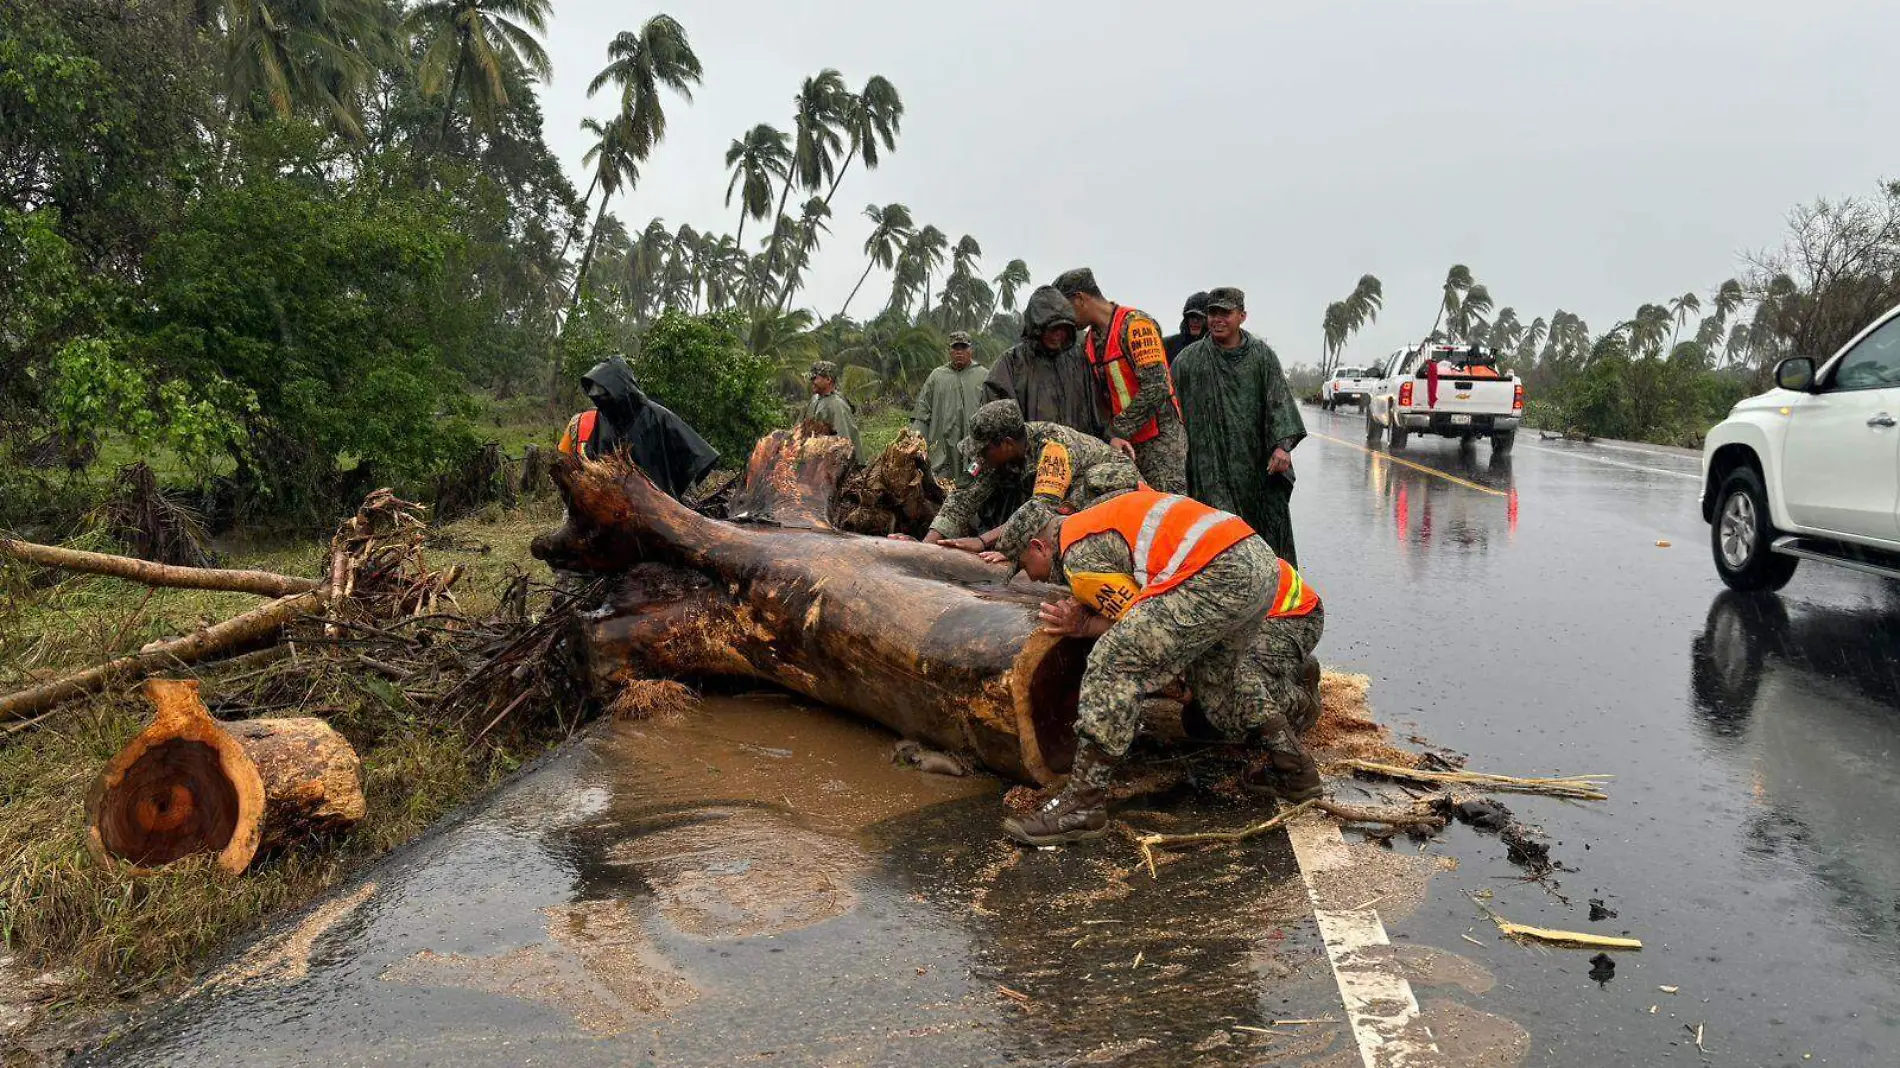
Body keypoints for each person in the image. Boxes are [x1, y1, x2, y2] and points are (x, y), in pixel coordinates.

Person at [996, 490, 1324, 846]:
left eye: (1025, 565)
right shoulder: (1093, 522)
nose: (1030, 577)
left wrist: (1085, 628)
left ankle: (1082, 806)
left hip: (1218, 570)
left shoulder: (1077, 556)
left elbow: (1136, 624)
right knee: (1219, 677)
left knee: (1113, 661)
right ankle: (1294, 769)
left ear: (1039, 546)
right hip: (1256, 560)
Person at [1171, 287, 1307, 566]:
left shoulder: (1261, 357)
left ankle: (1273, 596)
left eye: (1226, 313)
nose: (1217, 319)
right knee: (1217, 536)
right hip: (1209, 469)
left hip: (1255, 469)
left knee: (1262, 539)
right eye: (1213, 313)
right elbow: (1167, 407)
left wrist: (1283, 447)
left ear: (1242, 316)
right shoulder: (1189, 361)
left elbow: (1279, 401)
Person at [919, 400, 1138, 555]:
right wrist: (926, 545)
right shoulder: (997, 454)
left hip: (1117, 492)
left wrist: (982, 541)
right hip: (1072, 501)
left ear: (1006, 443)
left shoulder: (1054, 447)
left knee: (1063, 517)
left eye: (984, 450)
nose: (979, 456)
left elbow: (1041, 509)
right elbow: (964, 497)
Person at [1051, 267, 1187, 493]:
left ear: (1080, 299)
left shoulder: (1135, 325)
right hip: (1125, 445)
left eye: (1066, 308)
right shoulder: (1089, 342)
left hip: (1160, 443)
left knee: (1168, 510)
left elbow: (1156, 387)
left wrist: (1117, 432)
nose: (1065, 318)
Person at [558, 356, 720, 500]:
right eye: (596, 395)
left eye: (605, 393)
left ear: (619, 389)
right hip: (614, 505)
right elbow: (593, 457)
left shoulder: (656, 416)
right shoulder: (604, 418)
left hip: (657, 504)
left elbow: (697, 453)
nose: (601, 400)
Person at [983, 285, 1106, 440]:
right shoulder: (1012, 363)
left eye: (1063, 329)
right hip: (1031, 457)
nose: (1058, 335)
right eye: (1052, 329)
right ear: (1037, 328)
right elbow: (994, 420)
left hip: (1076, 454)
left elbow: (1096, 413)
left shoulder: (1078, 360)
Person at [909, 331, 990, 483]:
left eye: (963, 347)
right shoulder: (937, 376)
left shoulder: (983, 376)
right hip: (941, 451)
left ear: (970, 350)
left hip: (973, 451)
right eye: (955, 348)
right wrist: (914, 441)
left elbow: (992, 413)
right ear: (949, 351)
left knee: (972, 485)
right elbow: (922, 412)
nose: (959, 352)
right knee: (940, 489)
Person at [805, 360, 864, 462]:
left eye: (815, 378)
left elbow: (844, 443)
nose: (812, 382)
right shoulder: (814, 400)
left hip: (830, 464)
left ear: (828, 379)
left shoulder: (837, 405)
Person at [1164, 292, 1210, 364]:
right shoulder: (1167, 345)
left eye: (1200, 317)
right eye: (1191, 316)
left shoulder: (1219, 348)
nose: (1195, 321)